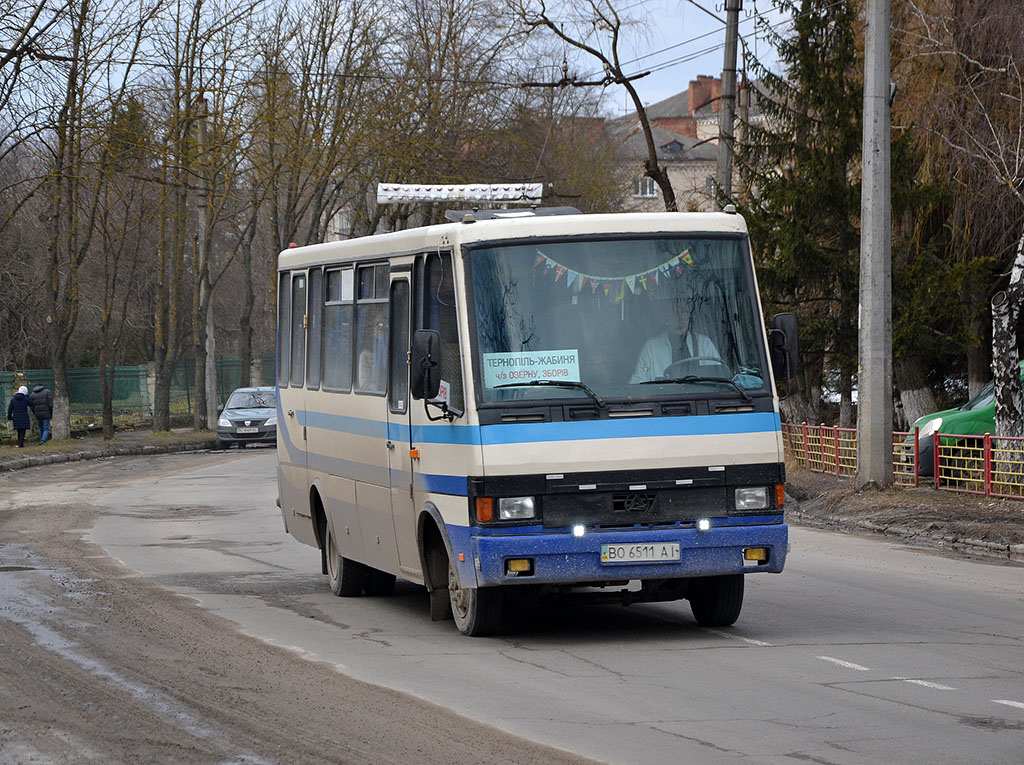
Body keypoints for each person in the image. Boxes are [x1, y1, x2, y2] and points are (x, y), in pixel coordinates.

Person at [629, 301, 720, 383]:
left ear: (689, 315)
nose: (680, 317)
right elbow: (638, 382)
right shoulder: (651, 347)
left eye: (684, 311)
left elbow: (719, 378)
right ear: (665, 317)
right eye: (675, 311)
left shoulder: (705, 344)